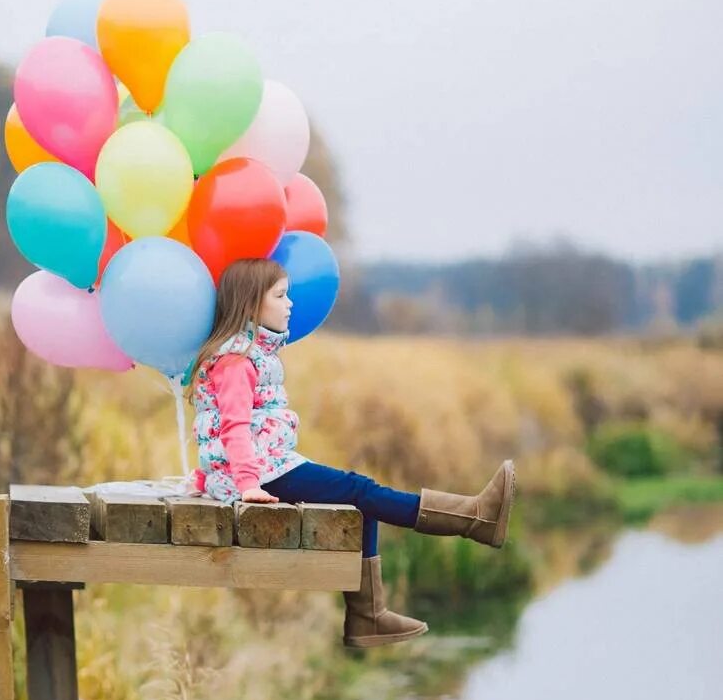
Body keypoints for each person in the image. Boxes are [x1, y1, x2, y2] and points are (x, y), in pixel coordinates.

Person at [186, 257, 516, 649]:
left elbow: (215, 430)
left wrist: (208, 478)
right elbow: (232, 426)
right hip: (262, 473)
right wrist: (246, 484)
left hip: (267, 466)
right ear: (252, 303)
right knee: (360, 490)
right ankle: (472, 518)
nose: (290, 303)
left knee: (361, 499)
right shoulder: (237, 360)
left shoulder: (249, 354)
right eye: (281, 295)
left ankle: (367, 615)